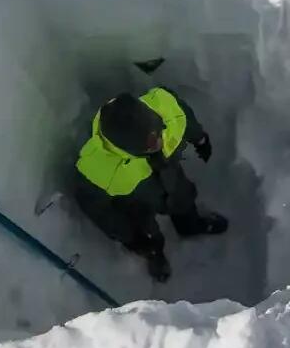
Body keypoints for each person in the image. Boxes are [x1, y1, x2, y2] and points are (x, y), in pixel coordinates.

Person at [73, 87, 228, 282]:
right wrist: (130, 237)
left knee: (184, 198)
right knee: (147, 232)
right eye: (148, 143)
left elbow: (182, 115)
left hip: (171, 177)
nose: (158, 143)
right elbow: (99, 211)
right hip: (139, 204)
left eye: (156, 133)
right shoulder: (96, 169)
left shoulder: (162, 104)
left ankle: (190, 226)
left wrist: (199, 138)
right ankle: (154, 254)